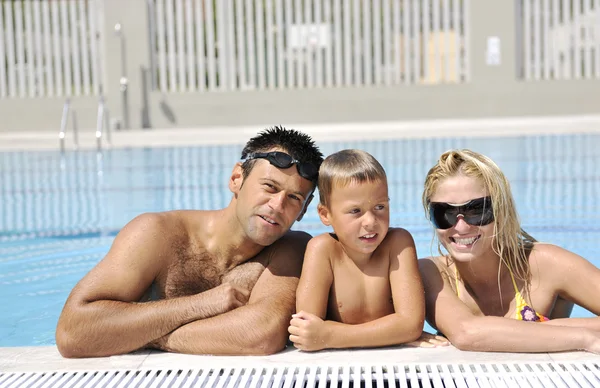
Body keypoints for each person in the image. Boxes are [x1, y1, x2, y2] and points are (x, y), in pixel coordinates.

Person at [55, 126, 324, 358]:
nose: (277, 205)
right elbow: (73, 332)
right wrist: (201, 305)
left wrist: (138, 335)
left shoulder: (291, 250)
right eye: (270, 187)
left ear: (303, 210)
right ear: (236, 179)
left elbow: (261, 334)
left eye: (294, 199)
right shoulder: (156, 234)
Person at [417, 149, 600, 353]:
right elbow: (466, 333)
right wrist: (584, 337)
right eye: (445, 213)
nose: (461, 227)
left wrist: (527, 332)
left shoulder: (545, 264)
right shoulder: (432, 274)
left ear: (501, 209)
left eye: (477, 211)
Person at [288, 149, 425, 351]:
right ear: (325, 214)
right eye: (355, 211)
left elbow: (411, 325)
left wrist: (330, 335)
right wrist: (394, 333)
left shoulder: (398, 244)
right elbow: (307, 329)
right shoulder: (323, 251)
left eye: (380, 207)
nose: (370, 222)